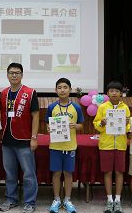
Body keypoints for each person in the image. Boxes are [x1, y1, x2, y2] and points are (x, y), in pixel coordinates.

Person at [0, 63, 39, 213]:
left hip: (24, 140)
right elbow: (1, 114)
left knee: (28, 173)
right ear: (7, 75)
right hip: (6, 140)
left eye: (17, 73)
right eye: (11, 73)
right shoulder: (3, 93)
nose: (14, 75)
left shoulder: (30, 92)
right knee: (10, 173)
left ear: (22, 75)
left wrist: (34, 137)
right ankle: (11, 199)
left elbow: (35, 116)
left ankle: (30, 202)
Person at [46, 78, 84, 213]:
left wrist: (75, 126)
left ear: (70, 90)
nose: (62, 90)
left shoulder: (76, 107)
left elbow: (81, 125)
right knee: (56, 173)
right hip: (55, 146)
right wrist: (49, 128)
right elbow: (47, 124)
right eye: (60, 87)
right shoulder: (51, 107)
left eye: (65, 87)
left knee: (68, 173)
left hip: (70, 146)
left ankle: (67, 199)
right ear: (55, 90)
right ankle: (56, 199)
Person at [93, 81, 131, 213]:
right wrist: (102, 123)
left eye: (117, 91)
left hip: (120, 145)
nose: (114, 93)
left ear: (121, 93)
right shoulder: (103, 107)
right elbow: (96, 124)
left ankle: (118, 200)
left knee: (119, 172)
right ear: (107, 93)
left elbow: (128, 127)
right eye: (111, 91)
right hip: (106, 145)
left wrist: (127, 124)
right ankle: (109, 200)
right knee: (108, 172)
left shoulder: (125, 108)